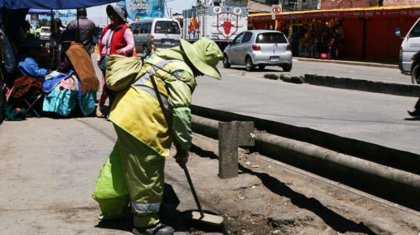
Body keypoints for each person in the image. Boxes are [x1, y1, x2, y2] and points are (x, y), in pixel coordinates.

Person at [92, 37, 223, 235]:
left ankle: (116, 209)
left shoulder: (163, 57)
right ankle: (146, 223)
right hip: (142, 124)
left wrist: (179, 146)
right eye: (202, 70)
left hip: (124, 114)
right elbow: (181, 114)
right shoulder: (183, 73)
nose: (200, 75)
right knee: (147, 173)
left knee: (127, 167)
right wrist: (184, 148)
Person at [95, 5, 134, 118]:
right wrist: (99, 57)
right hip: (104, 60)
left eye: (115, 14)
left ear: (120, 17)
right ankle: (107, 109)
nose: (112, 16)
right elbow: (101, 44)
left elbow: (131, 45)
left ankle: (105, 108)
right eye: (112, 14)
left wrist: (123, 50)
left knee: (110, 86)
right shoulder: (107, 28)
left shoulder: (125, 30)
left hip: (117, 61)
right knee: (108, 85)